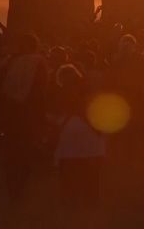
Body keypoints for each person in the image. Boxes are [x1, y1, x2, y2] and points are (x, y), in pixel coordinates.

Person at [50, 64, 105, 226]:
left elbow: (54, 117)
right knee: (90, 180)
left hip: (72, 145)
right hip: (89, 145)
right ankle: (87, 211)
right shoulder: (90, 93)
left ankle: (75, 210)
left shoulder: (60, 94)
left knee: (71, 180)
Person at [0, 34, 48, 201]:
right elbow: (41, 90)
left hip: (10, 110)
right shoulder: (39, 62)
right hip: (29, 111)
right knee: (26, 149)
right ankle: (20, 186)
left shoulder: (10, 61)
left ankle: (13, 187)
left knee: (12, 150)